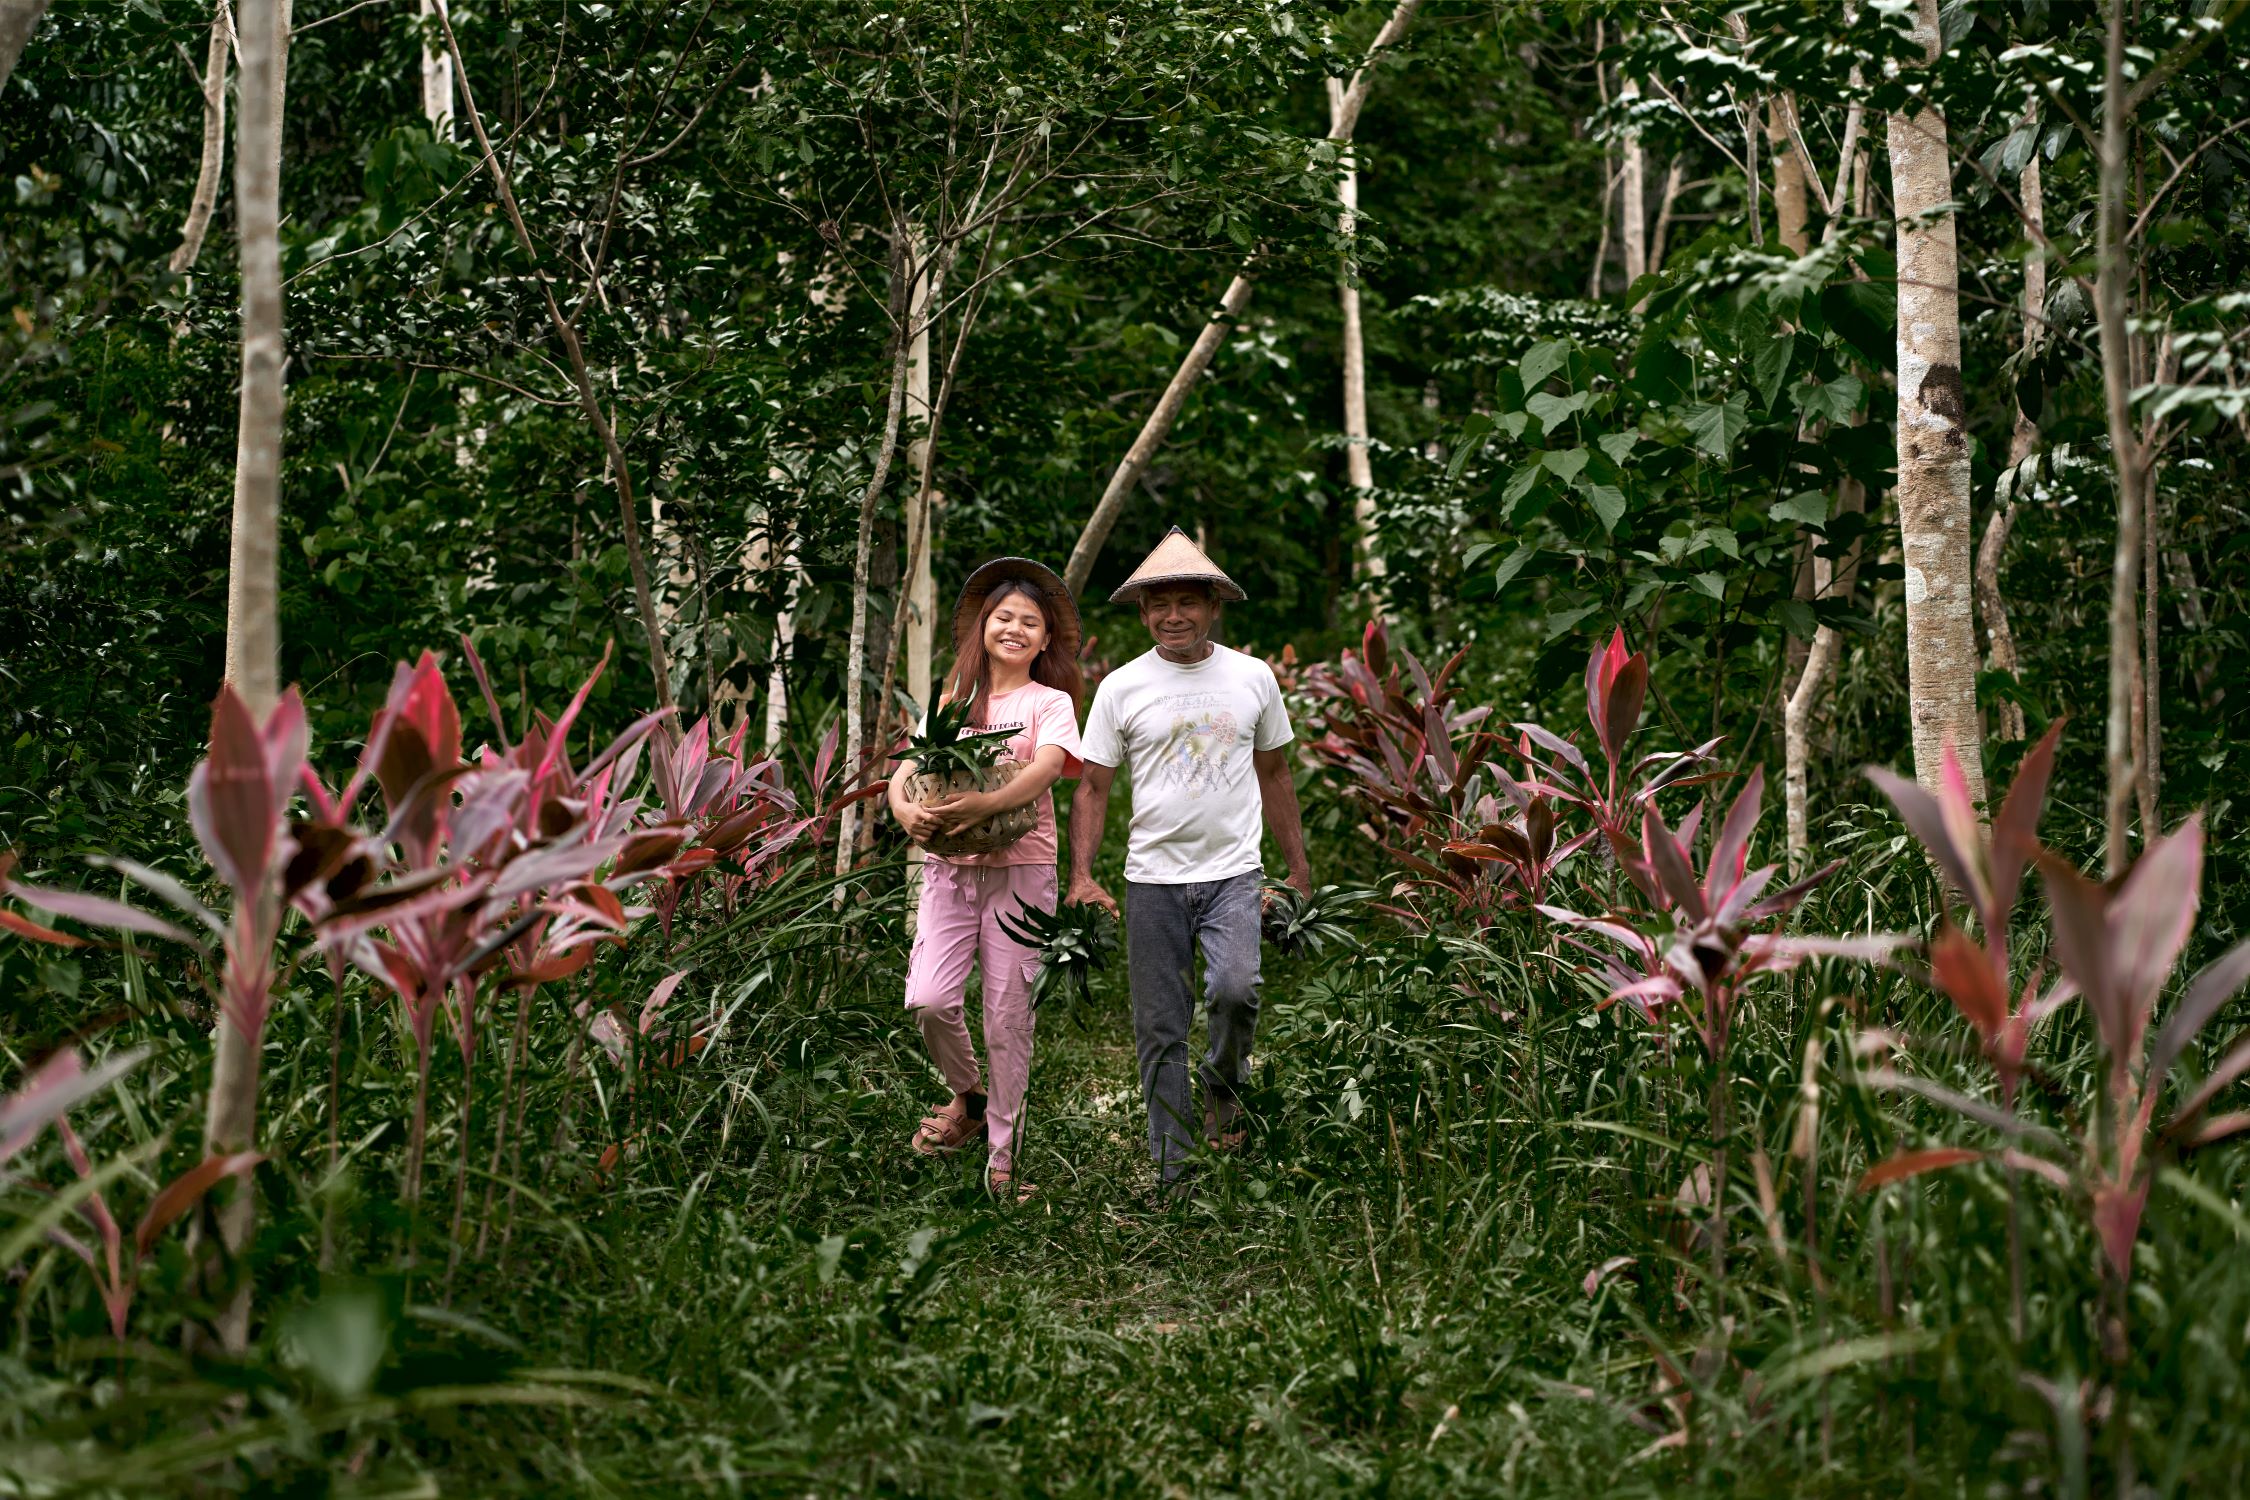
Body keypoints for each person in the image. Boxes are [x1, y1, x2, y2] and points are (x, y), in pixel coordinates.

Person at [1068, 528, 1311, 1195]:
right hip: (1152, 880)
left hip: (1234, 872)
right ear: (1144, 615)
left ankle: (1223, 1088)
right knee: (1159, 1025)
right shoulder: (1121, 687)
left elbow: (1276, 771)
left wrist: (1297, 868)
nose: (1174, 616)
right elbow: (1092, 786)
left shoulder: (1251, 677)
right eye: (1160, 605)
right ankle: (1174, 1171)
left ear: (1213, 607)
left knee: (1236, 991)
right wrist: (1082, 876)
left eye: (1187, 602)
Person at [887, 557, 1084, 1201]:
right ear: (983, 628)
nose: (1016, 629)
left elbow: (1050, 766)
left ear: (1045, 640)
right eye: (1005, 617)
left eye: (1031, 622)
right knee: (930, 999)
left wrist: (988, 805)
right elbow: (903, 774)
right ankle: (968, 1098)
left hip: (1021, 870)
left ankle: (1003, 1158)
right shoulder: (953, 703)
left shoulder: (1048, 702)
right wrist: (905, 811)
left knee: (1006, 1013)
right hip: (949, 871)